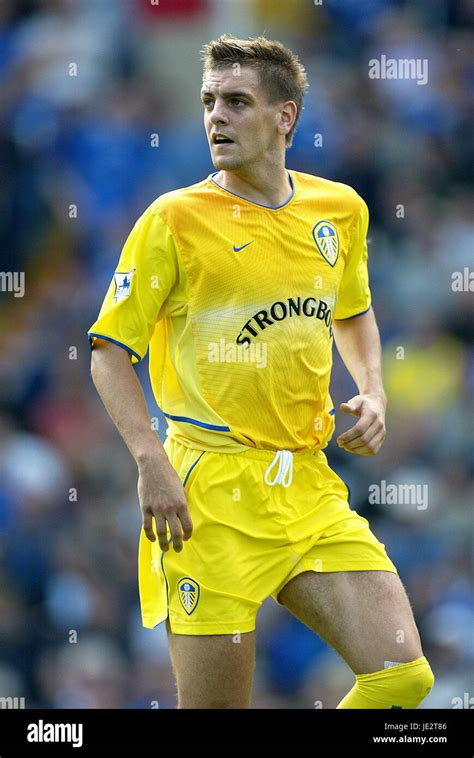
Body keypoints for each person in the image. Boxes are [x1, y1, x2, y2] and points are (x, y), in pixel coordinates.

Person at [88, 35, 434, 709]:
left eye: (237, 102)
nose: (216, 117)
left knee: (403, 677)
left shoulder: (339, 210)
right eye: (210, 102)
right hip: (207, 499)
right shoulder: (175, 219)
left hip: (307, 484)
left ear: (286, 117)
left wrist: (373, 390)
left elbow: (353, 311)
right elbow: (107, 352)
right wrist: (148, 459)